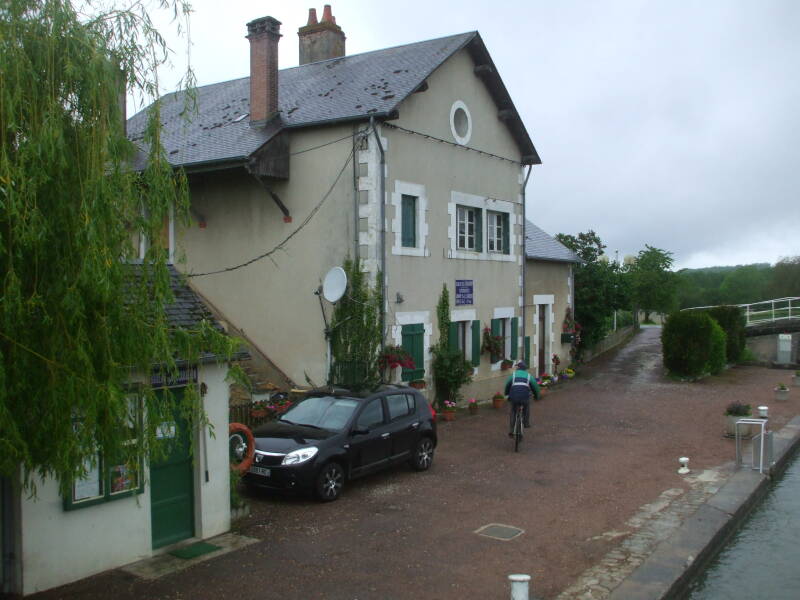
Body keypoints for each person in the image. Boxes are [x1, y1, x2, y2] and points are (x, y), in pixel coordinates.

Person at [504, 360, 540, 437]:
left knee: (513, 411)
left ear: (519, 368)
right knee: (526, 408)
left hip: (513, 397)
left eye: (517, 366)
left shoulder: (513, 375)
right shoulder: (529, 376)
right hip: (524, 397)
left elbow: (507, 385)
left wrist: (506, 393)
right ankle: (526, 423)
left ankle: (511, 430)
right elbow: (535, 387)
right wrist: (537, 396)